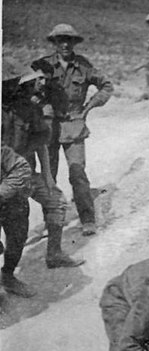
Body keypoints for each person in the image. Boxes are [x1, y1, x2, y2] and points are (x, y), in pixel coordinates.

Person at [2, 59, 85, 276]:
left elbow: (42, 146)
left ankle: (54, 254)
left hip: (25, 174)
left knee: (57, 201)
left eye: (14, 83)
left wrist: (48, 177)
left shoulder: (30, 109)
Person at [33, 24, 114, 237]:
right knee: (48, 176)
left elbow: (106, 85)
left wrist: (89, 107)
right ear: (55, 43)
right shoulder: (43, 65)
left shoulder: (84, 66)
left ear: (74, 43)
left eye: (69, 40)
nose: (65, 44)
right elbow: (29, 92)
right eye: (61, 40)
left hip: (74, 126)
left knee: (77, 173)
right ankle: (50, 221)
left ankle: (87, 219)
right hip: (49, 127)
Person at [0, 144, 32, 300]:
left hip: (9, 197)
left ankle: (7, 275)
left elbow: (22, 168)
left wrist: (2, 192)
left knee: (17, 237)